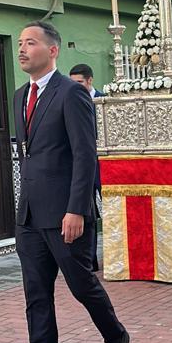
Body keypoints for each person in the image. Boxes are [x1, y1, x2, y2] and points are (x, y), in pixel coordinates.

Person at [0, 22, 129, 343]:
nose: (22, 49)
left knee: (81, 284)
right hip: (31, 218)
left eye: (30, 42)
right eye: (19, 43)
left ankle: (116, 337)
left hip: (66, 214)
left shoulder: (71, 94)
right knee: (36, 295)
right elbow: (28, 158)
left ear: (52, 50)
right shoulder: (21, 95)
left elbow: (86, 156)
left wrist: (77, 209)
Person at [70, 63, 102, 271]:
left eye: (79, 82)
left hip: (106, 163)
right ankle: (90, 260)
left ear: (89, 80)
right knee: (88, 211)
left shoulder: (103, 100)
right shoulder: (70, 100)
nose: (76, 87)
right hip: (85, 164)